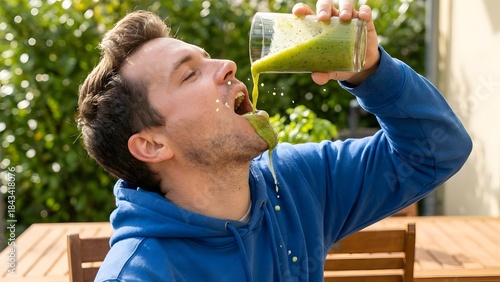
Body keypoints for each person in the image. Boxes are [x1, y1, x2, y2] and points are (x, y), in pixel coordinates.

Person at [77, 0, 472, 281]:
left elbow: (435, 151)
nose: (228, 65)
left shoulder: (297, 184)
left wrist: (371, 71)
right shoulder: (141, 275)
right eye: (188, 74)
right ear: (152, 145)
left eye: (208, 57)